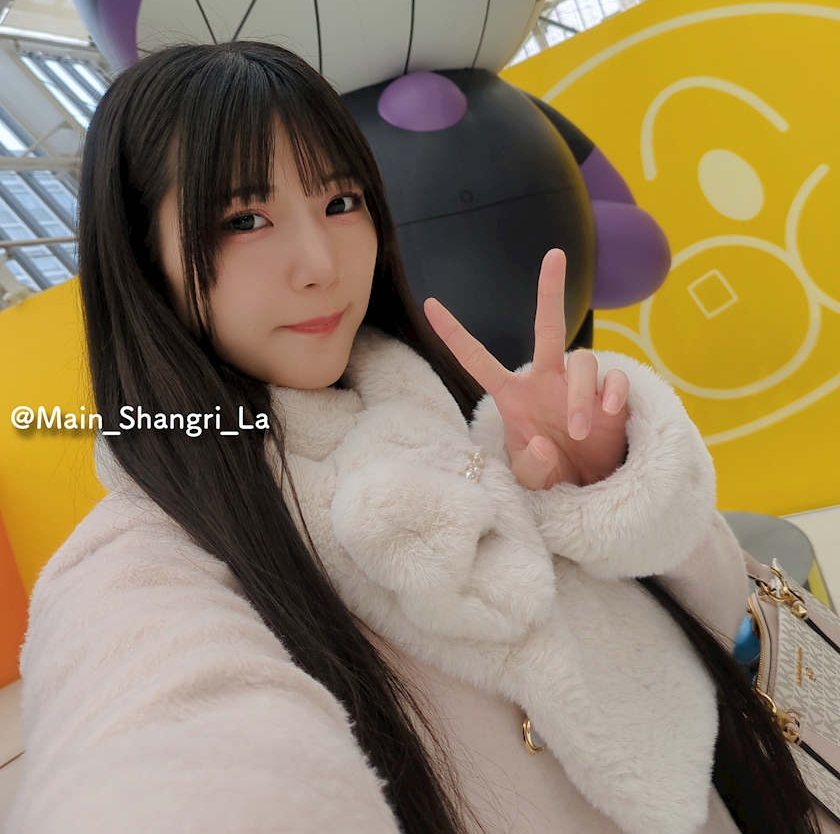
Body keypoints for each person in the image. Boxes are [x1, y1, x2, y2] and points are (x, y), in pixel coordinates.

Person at [4, 42, 827, 834]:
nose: (321, 263)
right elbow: (163, 741)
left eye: (340, 202)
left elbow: (718, 616)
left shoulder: (467, 417)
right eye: (245, 218)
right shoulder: (142, 558)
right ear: (142, 259)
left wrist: (605, 486)